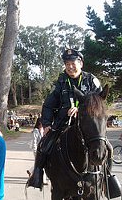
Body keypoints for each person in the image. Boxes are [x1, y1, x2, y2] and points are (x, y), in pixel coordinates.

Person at [27, 48, 105, 190]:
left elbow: (100, 103)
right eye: (67, 63)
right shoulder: (61, 81)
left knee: (105, 148)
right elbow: (48, 105)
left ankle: (107, 179)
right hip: (62, 124)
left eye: (73, 63)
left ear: (80, 63)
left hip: (88, 125)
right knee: (43, 146)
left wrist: (81, 109)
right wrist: (47, 124)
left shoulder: (91, 80)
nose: (70, 66)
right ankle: (37, 175)